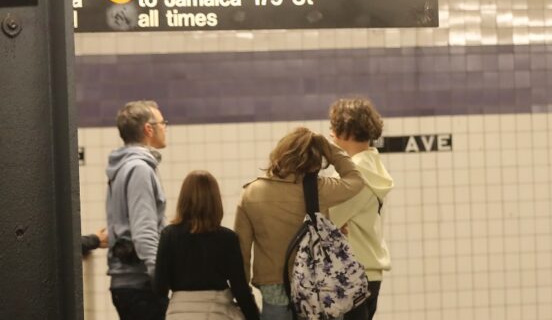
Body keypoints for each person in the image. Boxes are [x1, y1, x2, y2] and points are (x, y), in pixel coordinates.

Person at [234, 127, 364, 320]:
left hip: (273, 286)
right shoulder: (320, 189)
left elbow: (241, 252)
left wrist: (244, 298)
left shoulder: (251, 193)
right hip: (316, 286)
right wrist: (328, 146)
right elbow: (356, 179)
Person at [155, 170, 260, 320]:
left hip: (178, 313)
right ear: (215, 200)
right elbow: (240, 289)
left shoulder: (169, 235)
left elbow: (159, 288)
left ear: (183, 199)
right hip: (216, 312)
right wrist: (254, 316)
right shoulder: (228, 238)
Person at [327, 98, 394, 320]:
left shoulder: (355, 173)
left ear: (346, 130)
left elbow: (328, 219)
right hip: (368, 270)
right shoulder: (372, 164)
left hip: (350, 272)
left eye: (333, 127)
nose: (330, 133)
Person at [106, 100, 169, 320]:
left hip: (127, 282)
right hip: (140, 285)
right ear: (148, 129)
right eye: (163, 123)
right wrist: (159, 282)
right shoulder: (140, 169)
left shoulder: (122, 167)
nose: (165, 127)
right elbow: (144, 231)